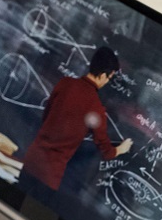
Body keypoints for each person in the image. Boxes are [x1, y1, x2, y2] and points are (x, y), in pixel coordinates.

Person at [19, 47, 133, 194]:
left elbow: (46, 115)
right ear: (104, 75)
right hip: (50, 175)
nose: (107, 82)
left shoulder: (65, 83)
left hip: (31, 160)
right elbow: (106, 152)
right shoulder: (96, 108)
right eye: (109, 78)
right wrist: (121, 149)